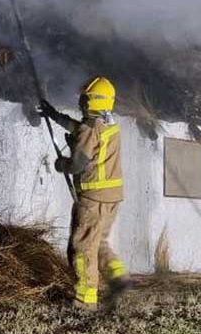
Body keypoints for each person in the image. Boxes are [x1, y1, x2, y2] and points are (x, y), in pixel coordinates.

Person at [39, 77, 132, 311]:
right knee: (98, 241)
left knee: (83, 247)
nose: (81, 101)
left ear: (93, 100)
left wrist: (62, 165)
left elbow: (78, 164)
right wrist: (54, 115)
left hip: (93, 198)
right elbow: (79, 129)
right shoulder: (108, 125)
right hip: (112, 197)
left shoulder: (91, 128)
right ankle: (118, 276)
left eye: (85, 97)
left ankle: (85, 299)